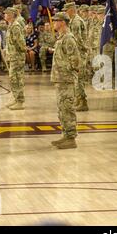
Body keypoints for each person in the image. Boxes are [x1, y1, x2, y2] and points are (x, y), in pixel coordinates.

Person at [49, 12, 81, 150]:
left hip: (66, 79)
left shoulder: (68, 38)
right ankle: (65, 135)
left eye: (56, 20)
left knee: (67, 109)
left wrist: (66, 70)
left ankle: (71, 138)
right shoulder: (61, 38)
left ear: (62, 22)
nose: (54, 22)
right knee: (62, 109)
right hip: (60, 79)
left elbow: (75, 60)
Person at [4, 7, 26, 110]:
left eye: (6, 14)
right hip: (13, 56)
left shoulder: (15, 26)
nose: (4, 15)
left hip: (17, 56)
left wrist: (19, 53)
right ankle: (16, 98)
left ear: (11, 15)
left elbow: (20, 42)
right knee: (13, 79)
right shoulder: (10, 26)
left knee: (17, 78)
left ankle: (20, 101)